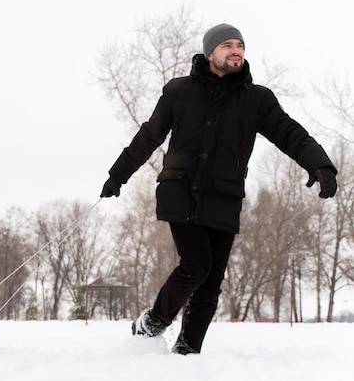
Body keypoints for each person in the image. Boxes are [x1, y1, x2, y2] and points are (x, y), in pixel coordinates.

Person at [100, 23, 337, 354]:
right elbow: (149, 136)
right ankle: (152, 323)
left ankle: (187, 353)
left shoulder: (257, 100)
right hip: (180, 190)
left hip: (224, 198)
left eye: (240, 45)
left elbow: (290, 133)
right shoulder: (179, 91)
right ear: (210, 52)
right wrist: (118, 176)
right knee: (196, 265)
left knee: (210, 283)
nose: (236, 50)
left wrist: (320, 164)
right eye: (227, 45)